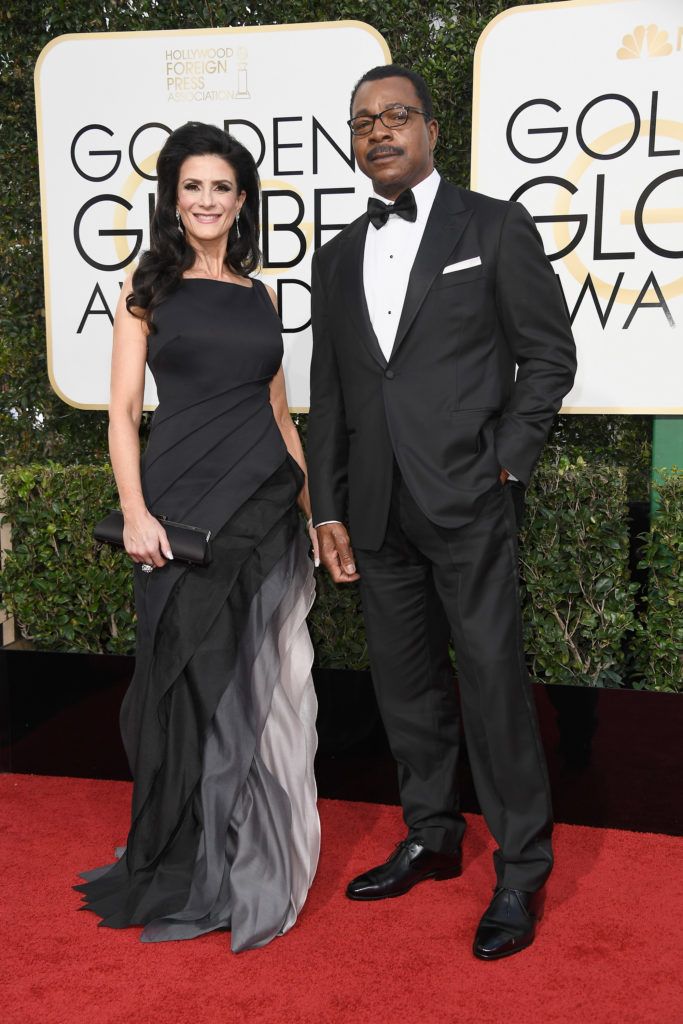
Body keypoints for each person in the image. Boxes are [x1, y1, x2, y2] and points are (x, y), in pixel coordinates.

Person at [307, 66, 577, 960]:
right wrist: (329, 505)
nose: (379, 132)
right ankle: (431, 833)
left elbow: (546, 356)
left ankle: (521, 870)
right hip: (377, 508)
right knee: (406, 690)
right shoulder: (336, 256)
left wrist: (507, 465)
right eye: (362, 122)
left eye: (395, 117)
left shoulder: (493, 225)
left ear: (429, 129)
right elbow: (334, 396)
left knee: (494, 688)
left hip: (468, 496)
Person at [77, 122, 320, 953]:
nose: (207, 201)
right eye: (192, 187)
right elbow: (119, 414)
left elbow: (280, 413)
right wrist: (135, 511)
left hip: (261, 509)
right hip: (176, 515)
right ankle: (183, 856)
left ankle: (243, 856)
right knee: (178, 682)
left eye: (221, 187)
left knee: (257, 685)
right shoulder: (146, 291)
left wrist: (315, 511)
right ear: (172, 199)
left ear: (241, 200)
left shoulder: (264, 296)